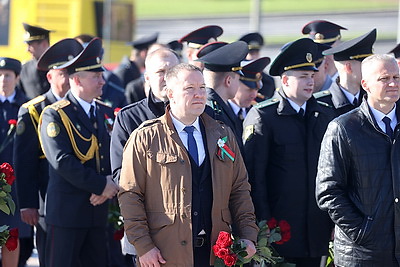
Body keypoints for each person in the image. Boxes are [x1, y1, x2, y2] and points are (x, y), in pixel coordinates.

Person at [118, 63, 258, 267]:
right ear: (170, 93)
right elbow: (130, 195)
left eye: (202, 88)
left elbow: (240, 189)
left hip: (214, 253)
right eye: (189, 89)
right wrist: (143, 246)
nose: (199, 94)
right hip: (166, 254)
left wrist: (247, 234)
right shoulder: (145, 138)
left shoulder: (222, 134)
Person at [243, 38, 335, 267]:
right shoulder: (265, 117)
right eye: (303, 77)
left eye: (312, 76)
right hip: (279, 232)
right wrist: (263, 228)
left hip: (315, 230)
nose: (310, 82)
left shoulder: (323, 114)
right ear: (284, 80)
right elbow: (255, 178)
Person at [38, 37, 119, 267]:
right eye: (96, 77)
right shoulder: (55, 115)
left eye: (101, 75)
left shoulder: (105, 112)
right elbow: (62, 161)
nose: (102, 81)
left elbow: (113, 155)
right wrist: (101, 185)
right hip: (67, 214)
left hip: (97, 214)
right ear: (75, 80)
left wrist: (110, 184)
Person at [316, 54, 400, 266]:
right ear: (365, 84)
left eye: (397, 77)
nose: (393, 83)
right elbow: (328, 191)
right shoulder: (343, 128)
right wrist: (362, 232)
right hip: (363, 253)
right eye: (384, 78)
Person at [14, 38, 83, 267]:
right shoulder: (34, 109)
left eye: (71, 73)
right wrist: (27, 203)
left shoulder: (84, 106)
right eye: (62, 73)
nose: (68, 79)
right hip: (48, 203)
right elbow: (24, 161)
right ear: (50, 77)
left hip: (85, 200)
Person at [110, 48, 180, 266]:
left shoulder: (200, 117)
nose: (167, 77)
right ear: (147, 77)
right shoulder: (129, 118)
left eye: (173, 71)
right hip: (148, 230)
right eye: (161, 71)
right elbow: (121, 177)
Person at [0, 57, 30, 267]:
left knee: (10, 236)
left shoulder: (26, 107)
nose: (3, 80)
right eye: (0, 75)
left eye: (8, 75)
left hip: (13, 185)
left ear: (17, 78)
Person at [197, 41, 248, 149]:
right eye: (238, 79)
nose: (238, 84)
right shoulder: (212, 112)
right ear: (228, 81)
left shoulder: (215, 106)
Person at [317, 29, 376, 117]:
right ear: (348, 67)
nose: (371, 70)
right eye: (365, 65)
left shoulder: (373, 99)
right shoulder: (320, 105)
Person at [228, 56, 271, 134]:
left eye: (256, 90)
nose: (254, 95)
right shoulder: (219, 111)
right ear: (233, 83)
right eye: (249, 90)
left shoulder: (262, 109)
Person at [18, 23, 52, 100]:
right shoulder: (24, 69)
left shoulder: (58, 68)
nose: (27, 50)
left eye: (30, 45)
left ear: (44, 44)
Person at [239, 32, 276, 100]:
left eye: (256, 52)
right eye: (251, 53)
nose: (254, 56)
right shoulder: (237, 76)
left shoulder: (268, 81)